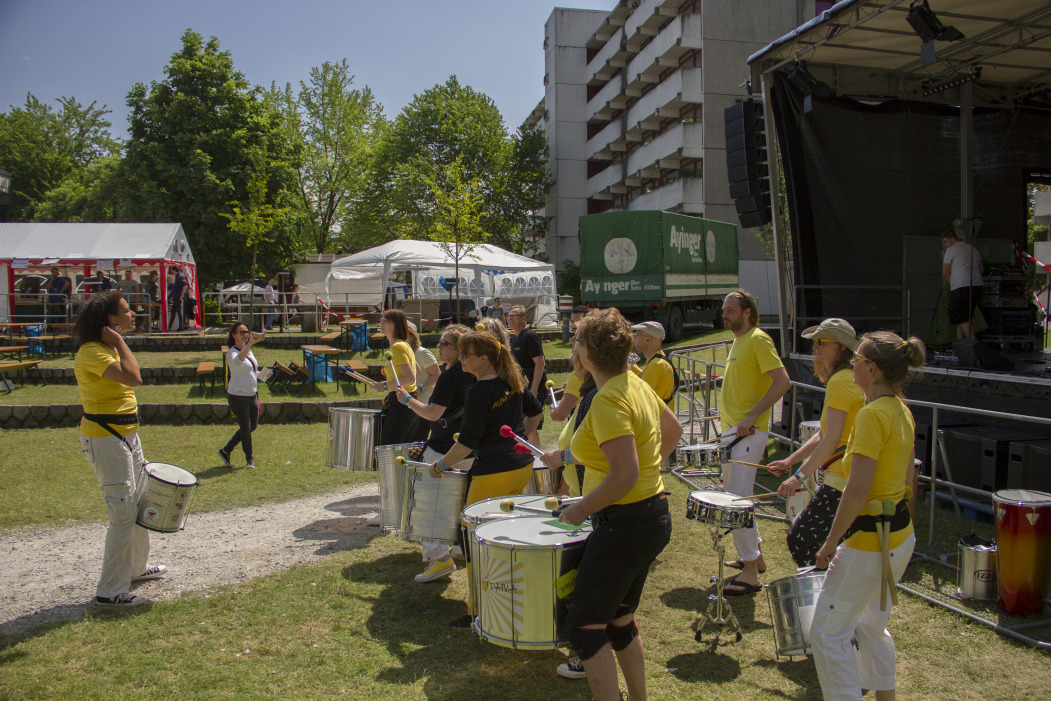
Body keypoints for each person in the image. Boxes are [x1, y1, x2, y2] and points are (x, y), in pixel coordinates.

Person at [555, 308, 681, 700]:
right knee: (619, 618)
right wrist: (648, 473)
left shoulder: (609, 399)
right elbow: (671, 431)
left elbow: (624, 474)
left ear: (589, 351)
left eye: (576, 340)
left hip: (627, 523)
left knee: (584, 625)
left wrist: (581, 508)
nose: (573, 346)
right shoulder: (634, 383)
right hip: (649, 516)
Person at [811, 331, 924, 701]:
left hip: (869, 543)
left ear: (871, 369)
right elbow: (910, 479)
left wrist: (830, 542)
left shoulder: (873, 415)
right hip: (898, 537)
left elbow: (857, 489)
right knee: (872, 626)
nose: (853, 364)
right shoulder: (901, 410)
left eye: (857, 359)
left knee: (827, 634)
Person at [428, 329, 539, 628]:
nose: (461, 359)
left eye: (466, 354)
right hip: (521, 466)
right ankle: (509, 598)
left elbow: (466, 443)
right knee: (505, 537)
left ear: (484, 358)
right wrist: (520, 438)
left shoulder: (479, 391)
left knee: (476, 542)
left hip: (495, 473)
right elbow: (536, 411)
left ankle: (478, 612)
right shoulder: (511, 381)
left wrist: (439, 465)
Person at [74, 290, 166, 607]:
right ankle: (109, 591)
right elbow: (133, 377)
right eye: (126, 311)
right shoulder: (92, 352)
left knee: (139, 504)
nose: (133, 313)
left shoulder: (105, 349)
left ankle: (136, 570)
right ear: (111, 320)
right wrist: (120, 342)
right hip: (106, 437)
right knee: (122, 513)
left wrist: (115, 342)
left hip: (126, 434)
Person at [769, 318, 865, 568]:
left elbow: (832, 438)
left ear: (843, 347)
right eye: (814, 343)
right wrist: (791, 460)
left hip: (842, 480)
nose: (816, 348)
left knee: (801, 540)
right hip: (846, 477)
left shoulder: (841, 381)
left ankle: (824, 598)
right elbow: (825, 433)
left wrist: (798, 477)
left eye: (823, 342)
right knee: (836, 549)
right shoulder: (845, 378)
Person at [718, 289, 791, 595]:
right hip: (734, 431)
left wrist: (751, 418)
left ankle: (751, 571)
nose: (724, 314)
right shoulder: (739, 341)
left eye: (730, 310)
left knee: (737, 500)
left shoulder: (759, 339)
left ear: (747, 312)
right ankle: (755, 559)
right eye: (724, 310)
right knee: (735, 495)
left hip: (748, 432)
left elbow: (783, 382)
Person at [396, 324, 475, 583]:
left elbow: (432, 413)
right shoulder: (479, 372)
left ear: (459, 348)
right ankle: (461, 548)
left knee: (430, 506)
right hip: (471, 448)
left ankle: (438, 559)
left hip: (443, 449)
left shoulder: (450, 376)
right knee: (463, 504)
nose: (438, 347)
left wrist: (407, 399)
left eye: (444, 343)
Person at [217, 322, 265, 469]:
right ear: (234, 335)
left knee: (252, 426)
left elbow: (249, 370)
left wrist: (262, 375)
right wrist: (249, 345)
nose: (245, 334)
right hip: (238, 395)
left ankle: (226, 450)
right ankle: (249, 459)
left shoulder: (249, 351)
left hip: (252, 394)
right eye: (241, 332)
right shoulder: (232, 351)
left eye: (246, 331)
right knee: (245, 427)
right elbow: (237, 362)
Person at [371, 309, 421, 445]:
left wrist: (385, 385)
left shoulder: (397, 348)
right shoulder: (403, 345)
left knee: (390, 451)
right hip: (406, 402)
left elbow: (410, 378)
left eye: (384, 321)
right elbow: (418, 371)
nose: (380, 323)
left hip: (401, 405)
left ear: (395, 324)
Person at [941, 229, 985, 340]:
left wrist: (952, 284)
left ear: (952, 238)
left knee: (959, 315)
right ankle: (959, 344)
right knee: (963, 316)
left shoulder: (951, 250)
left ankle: (972, 343)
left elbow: (945, 272)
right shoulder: (973, 249)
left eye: (945, 242)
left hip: (960, 286)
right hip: (977, 286)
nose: (945, 245)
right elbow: (982, 269)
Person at [507, 303, 548, 409]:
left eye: (513, 316)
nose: (509, 318)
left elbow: (540, 363)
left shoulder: (530, 336)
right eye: (508, 316)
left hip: (532, 387)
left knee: (533, 421)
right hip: (520, 386)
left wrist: (534, 389)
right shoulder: (513, 338)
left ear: (523, 318)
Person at [630, 321, 677, 405]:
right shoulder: (659, 359)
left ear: (647, 339)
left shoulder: (655, 365)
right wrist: (631, 365)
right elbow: (644, 377)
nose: (634, 337)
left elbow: (639, 395)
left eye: (638, 334)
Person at [168, 266, 189, 331]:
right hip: (175, 297)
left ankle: (180, 327)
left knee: (178, 312)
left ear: (174, 270)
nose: (171, 272)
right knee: (174, 312)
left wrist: (181, 295)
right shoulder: (178, 276)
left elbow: (185, 286)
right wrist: (172, 296)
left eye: (172, 270)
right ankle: (169, 327)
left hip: (178, 297)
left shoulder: (180, 276)